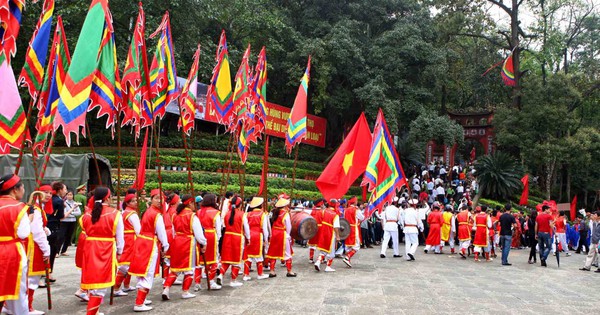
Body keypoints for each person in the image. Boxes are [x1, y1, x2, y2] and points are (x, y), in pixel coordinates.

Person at [80, 187, 124, 315]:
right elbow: (120, 237)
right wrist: (120, 251)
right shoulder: (115, 213)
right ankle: (91, 313)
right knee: (101, 283)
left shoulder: (87, 213)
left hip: (90, 248)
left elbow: (84, 229)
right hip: (105, 248)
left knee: (93, 282)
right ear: (107, 198)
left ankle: (95, 310)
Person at [129, 189, 170, 312]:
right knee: (148, 273)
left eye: (161, 198)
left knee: (143, 272)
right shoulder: (156, 215)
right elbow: (161, 233)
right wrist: (166, 245)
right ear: (151, 199)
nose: (159, 201)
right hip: (149, 243)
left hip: (142, 242)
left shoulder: (148, 211)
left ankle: (142, 298)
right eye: (156, 198)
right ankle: (139, 303)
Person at [162, 194, 207, 300]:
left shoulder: (175, 215)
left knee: (175, 269)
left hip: (177, 242)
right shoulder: (192, 216)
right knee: (189, 269)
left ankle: (166, 288)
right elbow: (199, 234)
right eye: (194, 204)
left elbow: (173, 231)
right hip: (188, 242)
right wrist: (204, 243)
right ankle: (185, 291)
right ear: (190, 203)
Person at [0, 175, 30, 315]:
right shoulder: (19, 207)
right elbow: (23, 233)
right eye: (22, 187)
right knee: (17, 287)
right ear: (14, 189)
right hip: (11, 251)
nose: (23, 190)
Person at [25, 186, 52, 315]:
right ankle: (28, 307)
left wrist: (45, 229)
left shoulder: (38, 208)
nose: (48, 195)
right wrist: (46, 249)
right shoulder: (35, 209)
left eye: (50, 193)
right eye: (45, 192)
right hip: (34, 245)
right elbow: (36, 231)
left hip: (31, 243)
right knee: (32, 278)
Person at [218, 195, 250, 287]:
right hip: (238, 238)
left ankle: (220, 275)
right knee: (236, 260)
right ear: (240, 205)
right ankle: (233, 280)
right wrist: (248, 238)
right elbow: (246, 228)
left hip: (227, 237)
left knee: (226, 258)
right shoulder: (242, 214)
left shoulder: (227, 214)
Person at [113, 193, 141, 296]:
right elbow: (138, 230)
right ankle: (116, 288)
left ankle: (126, 285)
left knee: (129, 263)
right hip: (131, 240)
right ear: (127, 203)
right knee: (126, 264)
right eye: (133, 201)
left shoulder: (124, 212)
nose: (135, 202)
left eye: (135, 200)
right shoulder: (132, 214)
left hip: (126, 238)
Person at [195, 194, 222, 291]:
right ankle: (211, 281)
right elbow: (218, 228)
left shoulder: (198, 212)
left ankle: (197, 283)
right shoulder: (216, 213)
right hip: (211, 235)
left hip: (200, 235)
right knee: (213, 259)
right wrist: (218, 239)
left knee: (199, 261)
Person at [266, 196, 296, 277]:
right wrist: (288, 235)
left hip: (274, 233)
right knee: (287, 253)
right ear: (285, 206)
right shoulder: (285, 214)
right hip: (282, 234)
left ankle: (272, 271)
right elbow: (288, 226)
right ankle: (289, 271)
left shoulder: (274, 212)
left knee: (273, 252)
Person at [243, 197, 270, 281]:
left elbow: (245, 226)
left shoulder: (247, 214)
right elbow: (265, 229)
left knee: (248, 255)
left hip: (249, 235)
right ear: (260, 205)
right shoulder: (263, 214)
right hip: (258, 235)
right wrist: (266, 239)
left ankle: (246, 274)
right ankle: (260, 273)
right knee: (259, 256)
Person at [48, 181, 68, 281]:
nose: (66, 191)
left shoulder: (49, 199)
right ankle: (49, 272)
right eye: (65, 189)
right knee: (52, 250)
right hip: (53, 227)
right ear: (59, 190)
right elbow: (61, 216)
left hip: (45, 226)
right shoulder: (59, 201)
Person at [314, 199, 341, 272]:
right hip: (331, 233)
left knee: (323, 249)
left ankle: (318, 262)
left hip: (323, 231)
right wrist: (338, 236)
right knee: (331, 251)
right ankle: (328, 267)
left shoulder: (323, 211)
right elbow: (336, 226)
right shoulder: (335, 215)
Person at [342, 197, 364, 267]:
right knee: (356, 246)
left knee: (348, 245)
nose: (357, 202)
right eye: (356, 201)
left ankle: (348, 260)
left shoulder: (346, 209)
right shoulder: (356, 210)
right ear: (354, 202)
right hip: (354, 228)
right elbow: (362, 217)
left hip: (347, 228)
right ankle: (347, 257)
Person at [60, 190, 81, 256]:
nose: (69, 196)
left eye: (71, 195)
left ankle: (64, 250)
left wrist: (71, 213)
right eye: (68, 195)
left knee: (69, 237)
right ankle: (57, 251)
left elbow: (79, 213)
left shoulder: (75, 203)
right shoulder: (64, 203)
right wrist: (72, 213)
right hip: (64, 221)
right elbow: (64, 213)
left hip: (72, 221)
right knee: (61, 236)